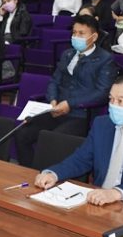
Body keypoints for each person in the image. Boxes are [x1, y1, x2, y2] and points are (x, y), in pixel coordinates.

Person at [33, 75, 123, 205]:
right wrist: (54, 174)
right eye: (111, 99)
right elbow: (81, 159)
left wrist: (117, 193)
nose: (114, 105)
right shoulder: (102, 124)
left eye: (120, 101)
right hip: (100, 200)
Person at [15, 14, 117, 167]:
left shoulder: (105, 59)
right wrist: (53, 100)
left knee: (53, 139)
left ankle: (45, 175)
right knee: (22, 133)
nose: (76, 37)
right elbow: (54, 81)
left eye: (81, 33)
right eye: (74, 33)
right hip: (56, 109)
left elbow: (102, 93)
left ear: (94, 37)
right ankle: (29, 171)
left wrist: (70, 104)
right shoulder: (67, 54)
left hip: (82, 114)